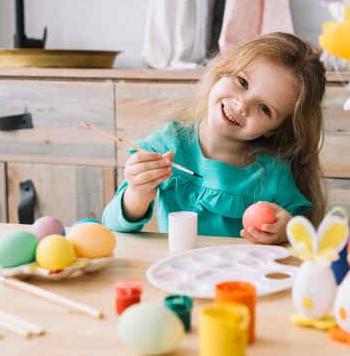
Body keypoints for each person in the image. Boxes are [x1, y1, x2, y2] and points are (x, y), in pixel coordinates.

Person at [102, 32, 328, 244]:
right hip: (181, 276)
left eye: (264, 108)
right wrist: (137, 193)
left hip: (241, 282)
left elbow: (303, 239)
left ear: (276, 129)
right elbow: (112, 225)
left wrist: (286, 230)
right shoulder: (167, 145)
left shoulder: (273, 174)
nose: (242, 105)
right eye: (242, 82)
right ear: (223, 72)